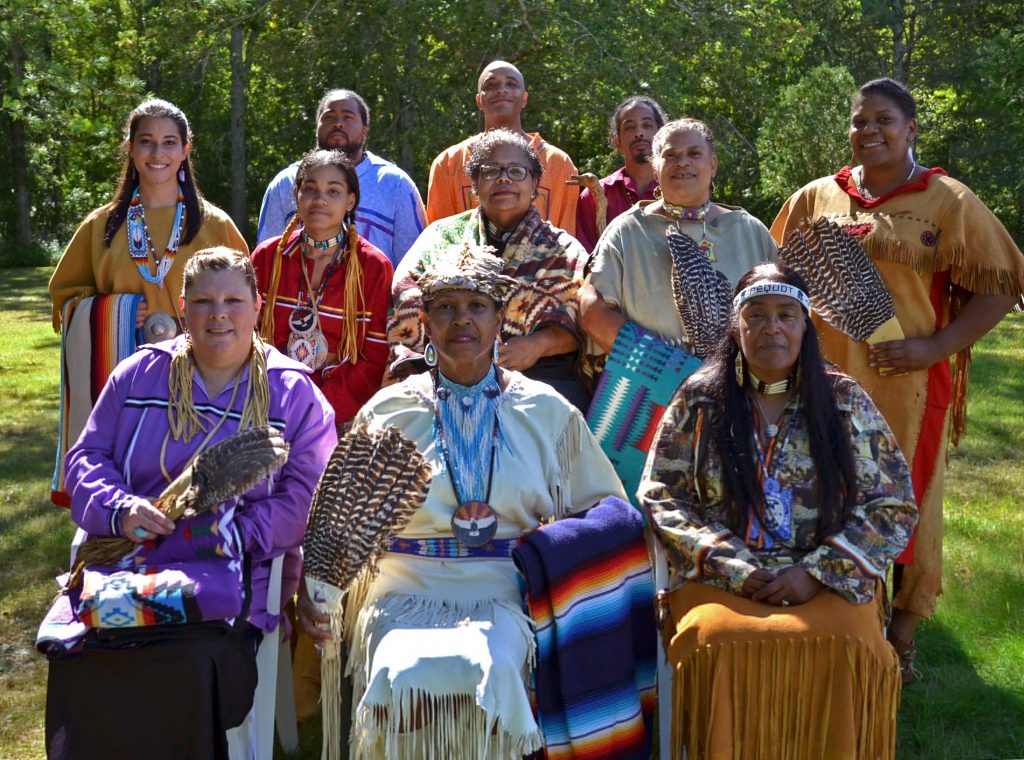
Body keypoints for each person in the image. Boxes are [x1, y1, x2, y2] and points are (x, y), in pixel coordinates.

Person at [300, 243, 626, 758]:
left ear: (501, 320)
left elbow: (606, 512)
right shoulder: (389, 411)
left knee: (492, 666)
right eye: (446, 308)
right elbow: (337, 519)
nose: (462, 320)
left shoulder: (545, 411)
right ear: (425, 321)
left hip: (505, 593)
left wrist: (552, 553)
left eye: (476, 307)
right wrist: (315, 587)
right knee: (399, 670)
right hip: (402, 590)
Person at [770, 77, 1024, 682]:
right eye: (859, 122)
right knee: (822, 489)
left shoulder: (947, 201)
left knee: (907, 499)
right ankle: (835, 609)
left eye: (883, 120)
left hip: (906, 380)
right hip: (825, 376)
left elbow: (1002, 283)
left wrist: (937, 345)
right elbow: (775, 274)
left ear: (911, 129)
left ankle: (901, 636)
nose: (869, 131)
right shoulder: (817, 198)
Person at [41, 248, 337, 759]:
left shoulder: (292, 393)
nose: (218, 315)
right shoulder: (139, 375)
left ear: (257, 306)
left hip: (230, 583)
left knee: (186, 664)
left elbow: (306, 500)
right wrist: (121, 509)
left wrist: (224, 534)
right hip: (127, 568)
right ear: (182, 307)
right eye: (203, 301)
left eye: (232, 300)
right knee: (86, 657)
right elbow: (86, 458)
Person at [640, 262, 918, 760]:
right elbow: (663, 494)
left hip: (827, 579)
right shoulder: (700, 398)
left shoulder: (844, 401)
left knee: (849, 642)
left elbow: (892, 505)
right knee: (718, 638)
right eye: (758, 315)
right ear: (736, 325)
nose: (772, 328)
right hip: (722, 579)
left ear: (805, 326)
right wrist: (734, 567)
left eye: (787, 315)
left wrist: (816, 572)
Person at [48, 98, 247, 505]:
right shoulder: (101, 226)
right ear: (131, 149)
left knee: (194, 490)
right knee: (124, 482)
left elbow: (247, 299)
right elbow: (64, 299)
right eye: (147, 142)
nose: (158, 154)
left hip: (201, 376)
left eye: (169, 142)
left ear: (185, 150)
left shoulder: (214, 225)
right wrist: (111, 311)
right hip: (124, 379)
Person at [391, 129, 590, 410]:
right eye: (490, 170)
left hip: (541, 380)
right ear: (474, 184)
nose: (504, 178)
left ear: (534, 184)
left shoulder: (565, 251)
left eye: (516, 171)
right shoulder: (441, 237)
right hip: (446, 375)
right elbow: (406, 293)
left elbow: (583, 319)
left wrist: (538, 344)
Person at [581, 117, 776, 353]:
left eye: (694, 154)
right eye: (671, 155)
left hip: (738, 380)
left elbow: (782, 309)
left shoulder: (750, 231)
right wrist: (663, 365)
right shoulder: (627, 231)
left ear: (713, 164)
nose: (683, 162)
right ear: (655, 167)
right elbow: (592, 310)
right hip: (654, 380)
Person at [253, 149, 394, 426]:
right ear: (297, 196)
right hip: (266, 406)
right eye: (310, 189)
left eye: (333, 191)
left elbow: (375, 355)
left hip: (340, 416)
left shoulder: (372, 266)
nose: (319, 199)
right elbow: (248, 337)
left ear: (350, 201)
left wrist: (318, 409)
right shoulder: (268, 258)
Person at [256, 88, 426, 268]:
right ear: (317, 128)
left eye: (348, 117)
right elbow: (267, 259)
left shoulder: (395, 184)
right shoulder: (286, 182)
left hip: (370, 292)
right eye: (329, 117)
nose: (338, 124)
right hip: (296, 293)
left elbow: (413, 263)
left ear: (364, 131)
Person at [426, 60, 579, 235]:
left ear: (524, 99)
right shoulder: (448, 164)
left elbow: (567, 240)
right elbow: (439, 241)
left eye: (511, 84)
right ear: (479, 100)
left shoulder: (559, 164)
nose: (501, 89)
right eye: (491, 85)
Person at [574, 95, 667, 252]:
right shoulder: (595, 194)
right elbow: (585, 258)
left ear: (661, 135)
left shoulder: (679, 190)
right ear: (618, 141)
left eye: (647, 125)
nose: (639, 133)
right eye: (629, 127)